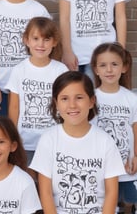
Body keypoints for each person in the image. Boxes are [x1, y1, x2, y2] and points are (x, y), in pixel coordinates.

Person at [30, 71, 125, 213]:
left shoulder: (105, 141)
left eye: (79, 97)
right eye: (64, 99)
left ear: (91, 101)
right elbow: (46, 193)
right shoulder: (48, 139)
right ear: (56, 103)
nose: (72, 105)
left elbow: (111, 193)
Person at [6, 17, 68, 164]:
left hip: (53, 140)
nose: (41, 44)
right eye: (35, 38)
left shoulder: (60, 70)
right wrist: (12, 135)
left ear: (54, 42)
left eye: (46, 39)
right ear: (27, 40)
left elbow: (65, 105)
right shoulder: (19, 70)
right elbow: (14, 107)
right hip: (25, 141)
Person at [91, 42, 137, 214]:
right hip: (101, 167)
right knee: (108, 205)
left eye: (114, 64)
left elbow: (135, 130)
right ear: (95, 69)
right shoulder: (91, 98)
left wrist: (136, 156)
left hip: (127, 165)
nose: (109, 70)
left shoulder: (131, 98)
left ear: (124, 68)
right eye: (103, 65)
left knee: (129, 203)